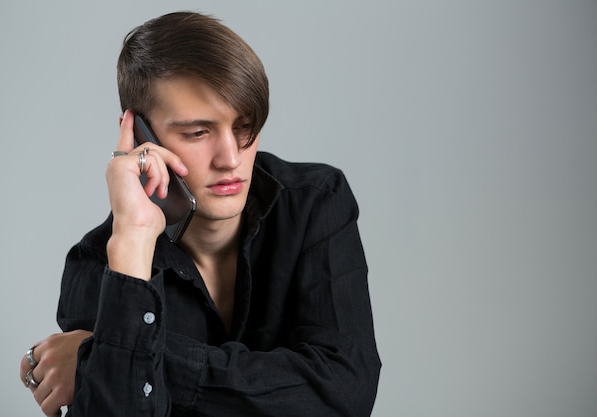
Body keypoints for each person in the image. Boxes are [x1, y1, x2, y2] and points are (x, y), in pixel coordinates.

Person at [19, 11, 381, 416]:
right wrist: (134, 241)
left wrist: (108, 352)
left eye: (245, 126)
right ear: (141, 136)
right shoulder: (99, 266)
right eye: (197, 132)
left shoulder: (314, 202)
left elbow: (345, 392)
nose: (231, 159)